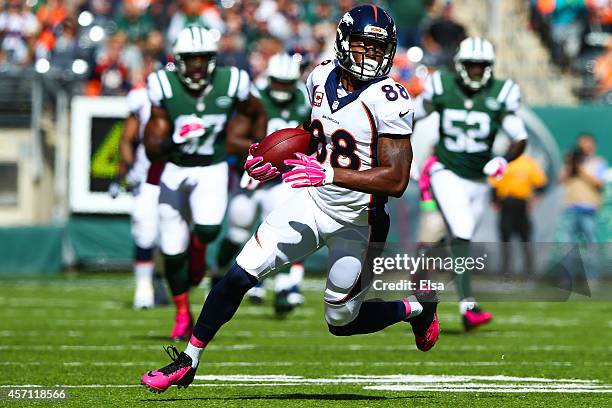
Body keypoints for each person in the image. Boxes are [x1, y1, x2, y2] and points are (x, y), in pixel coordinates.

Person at [140, 5, 439, 393]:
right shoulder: (320, 76)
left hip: (359, 221)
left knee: (340, 319)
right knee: (239, 273)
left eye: (378, 48)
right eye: (363, 45)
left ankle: (416, 308)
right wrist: (274, 159)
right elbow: (313, 133)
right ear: (344, 42)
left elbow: (396, 179)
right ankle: (188, 360)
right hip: (312, 202)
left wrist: (330, 172)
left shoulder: (390, 97)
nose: (370, 56)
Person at [143, 25, 267, 340]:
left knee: (209, 229)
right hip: (175, 167)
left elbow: (257, 112)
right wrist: (173, 138)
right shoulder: (163, 85)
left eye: (202, 59)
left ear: (212, 59)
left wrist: (257, 151)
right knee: (172, 250)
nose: (197, 66)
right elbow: (151, 148)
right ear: (178, 60)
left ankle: (198, 251)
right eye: (190, 59)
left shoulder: (232, 81)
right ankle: (182, 313)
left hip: (212, 166)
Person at [413, 36, 528, 331]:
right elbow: (408, 115)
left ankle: (424, 261)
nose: (477, 71)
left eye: (482, 66)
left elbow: (519, 137)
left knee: (458, 239)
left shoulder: (502, 92)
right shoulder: (442, 86)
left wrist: (503, 160)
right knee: (462, 231)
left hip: (479, 179)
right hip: (445, 169)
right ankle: (468, 306)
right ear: (460, 65)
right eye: (471, 65)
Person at [215, 52, 311, 314]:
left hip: (283, 177)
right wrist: (261, 152)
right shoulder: (254, 98)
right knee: (238, 228)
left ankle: (282, 286)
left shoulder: (305, 97)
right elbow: (231, 139)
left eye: (286, 83)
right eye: (277, 82)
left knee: (285, 229)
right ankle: (219, 271)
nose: (281, 88)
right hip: (253, 174)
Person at [559, 133, 608, 281]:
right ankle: (567, 278)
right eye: (581, 143)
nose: (583, 146)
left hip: (589, 209)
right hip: (571, 208)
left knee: (590, 245)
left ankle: (591, 278)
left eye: (586, 143)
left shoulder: (599, 162)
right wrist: (571, 165)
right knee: (567, 246)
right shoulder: (571, 163)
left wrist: (581, 170)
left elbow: (599, 184)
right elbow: (560, 180)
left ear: (592, 145)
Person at [489, 154, 548, 276]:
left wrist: (534, 199)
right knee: (505, 238)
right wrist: (494, 200)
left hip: (521, 204)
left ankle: (529, 271)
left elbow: (541, 184)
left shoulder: (528, 163)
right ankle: (506, 270)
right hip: (506, 203)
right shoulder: (503, 163)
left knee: (525, 238)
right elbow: (494, 185)